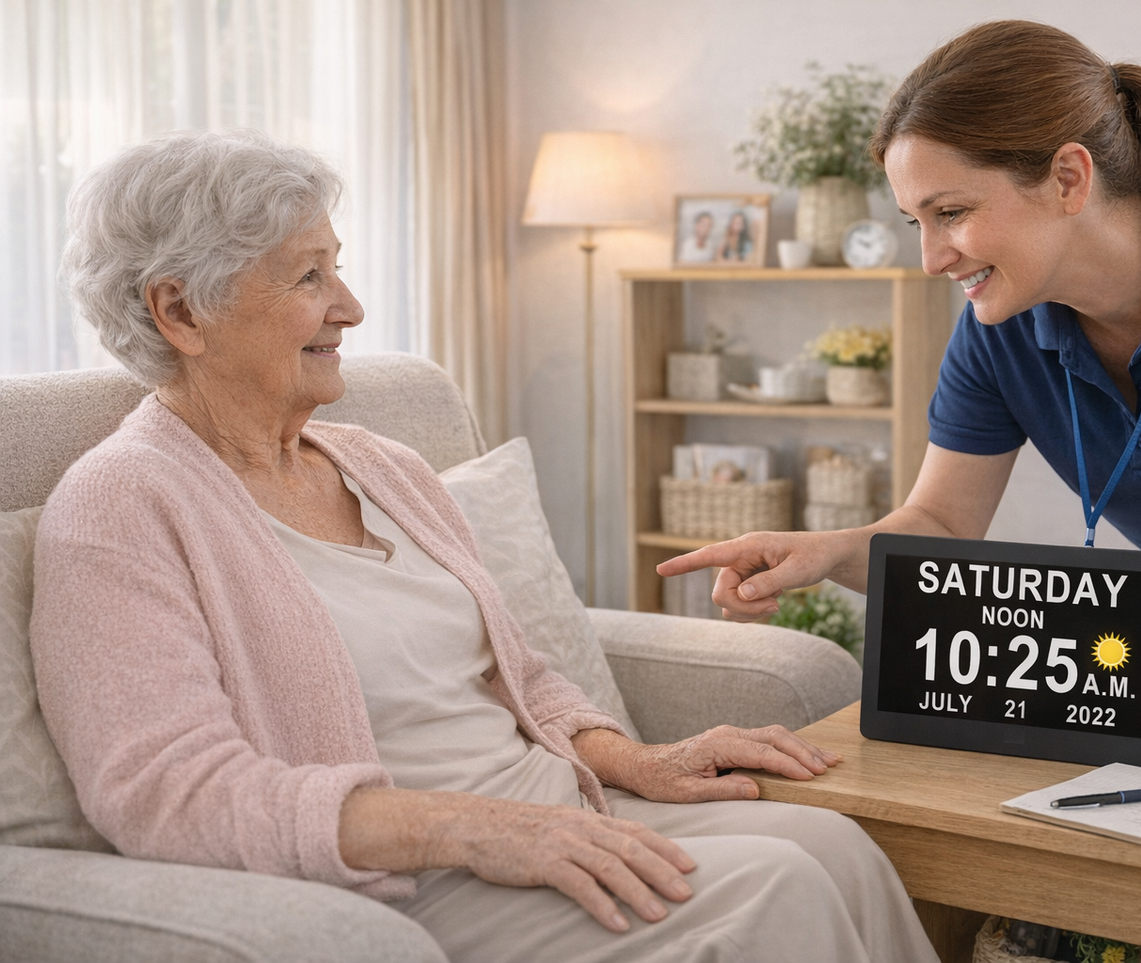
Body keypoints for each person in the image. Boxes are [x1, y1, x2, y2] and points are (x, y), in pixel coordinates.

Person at [31, 129, 938, 963]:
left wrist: (634, 760)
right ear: (180, 310)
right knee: (772, 889)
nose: (349, 305)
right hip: (416, 874)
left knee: (832, 844)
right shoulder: (122, 506)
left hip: (554, 814)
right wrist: (470, 829)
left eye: (336, 268)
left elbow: (523, 672)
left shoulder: (381, 466)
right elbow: (167, 794)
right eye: (307, 277)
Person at [662, 20, 1141, 876]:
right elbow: (941, 523)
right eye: (914, 221)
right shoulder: (996, 325)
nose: (930, 257)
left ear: (1068, 178)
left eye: (951, 213)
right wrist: (821, 552)